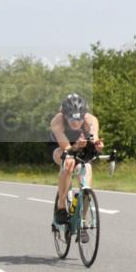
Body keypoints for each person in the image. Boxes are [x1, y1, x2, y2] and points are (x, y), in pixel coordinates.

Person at [48, 94, 103, 231]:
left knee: (87, 169)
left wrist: (96, 145)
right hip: (60, 146)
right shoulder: (57, 121)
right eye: (72, 118)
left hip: (80, 145)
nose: (75, 123)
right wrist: (75, 147)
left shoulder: (91, 120)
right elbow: (66, 148)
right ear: (65, 115)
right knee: (68, 162)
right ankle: (61, 205)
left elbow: (94, 136)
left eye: (78, 119)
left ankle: (82, 221)